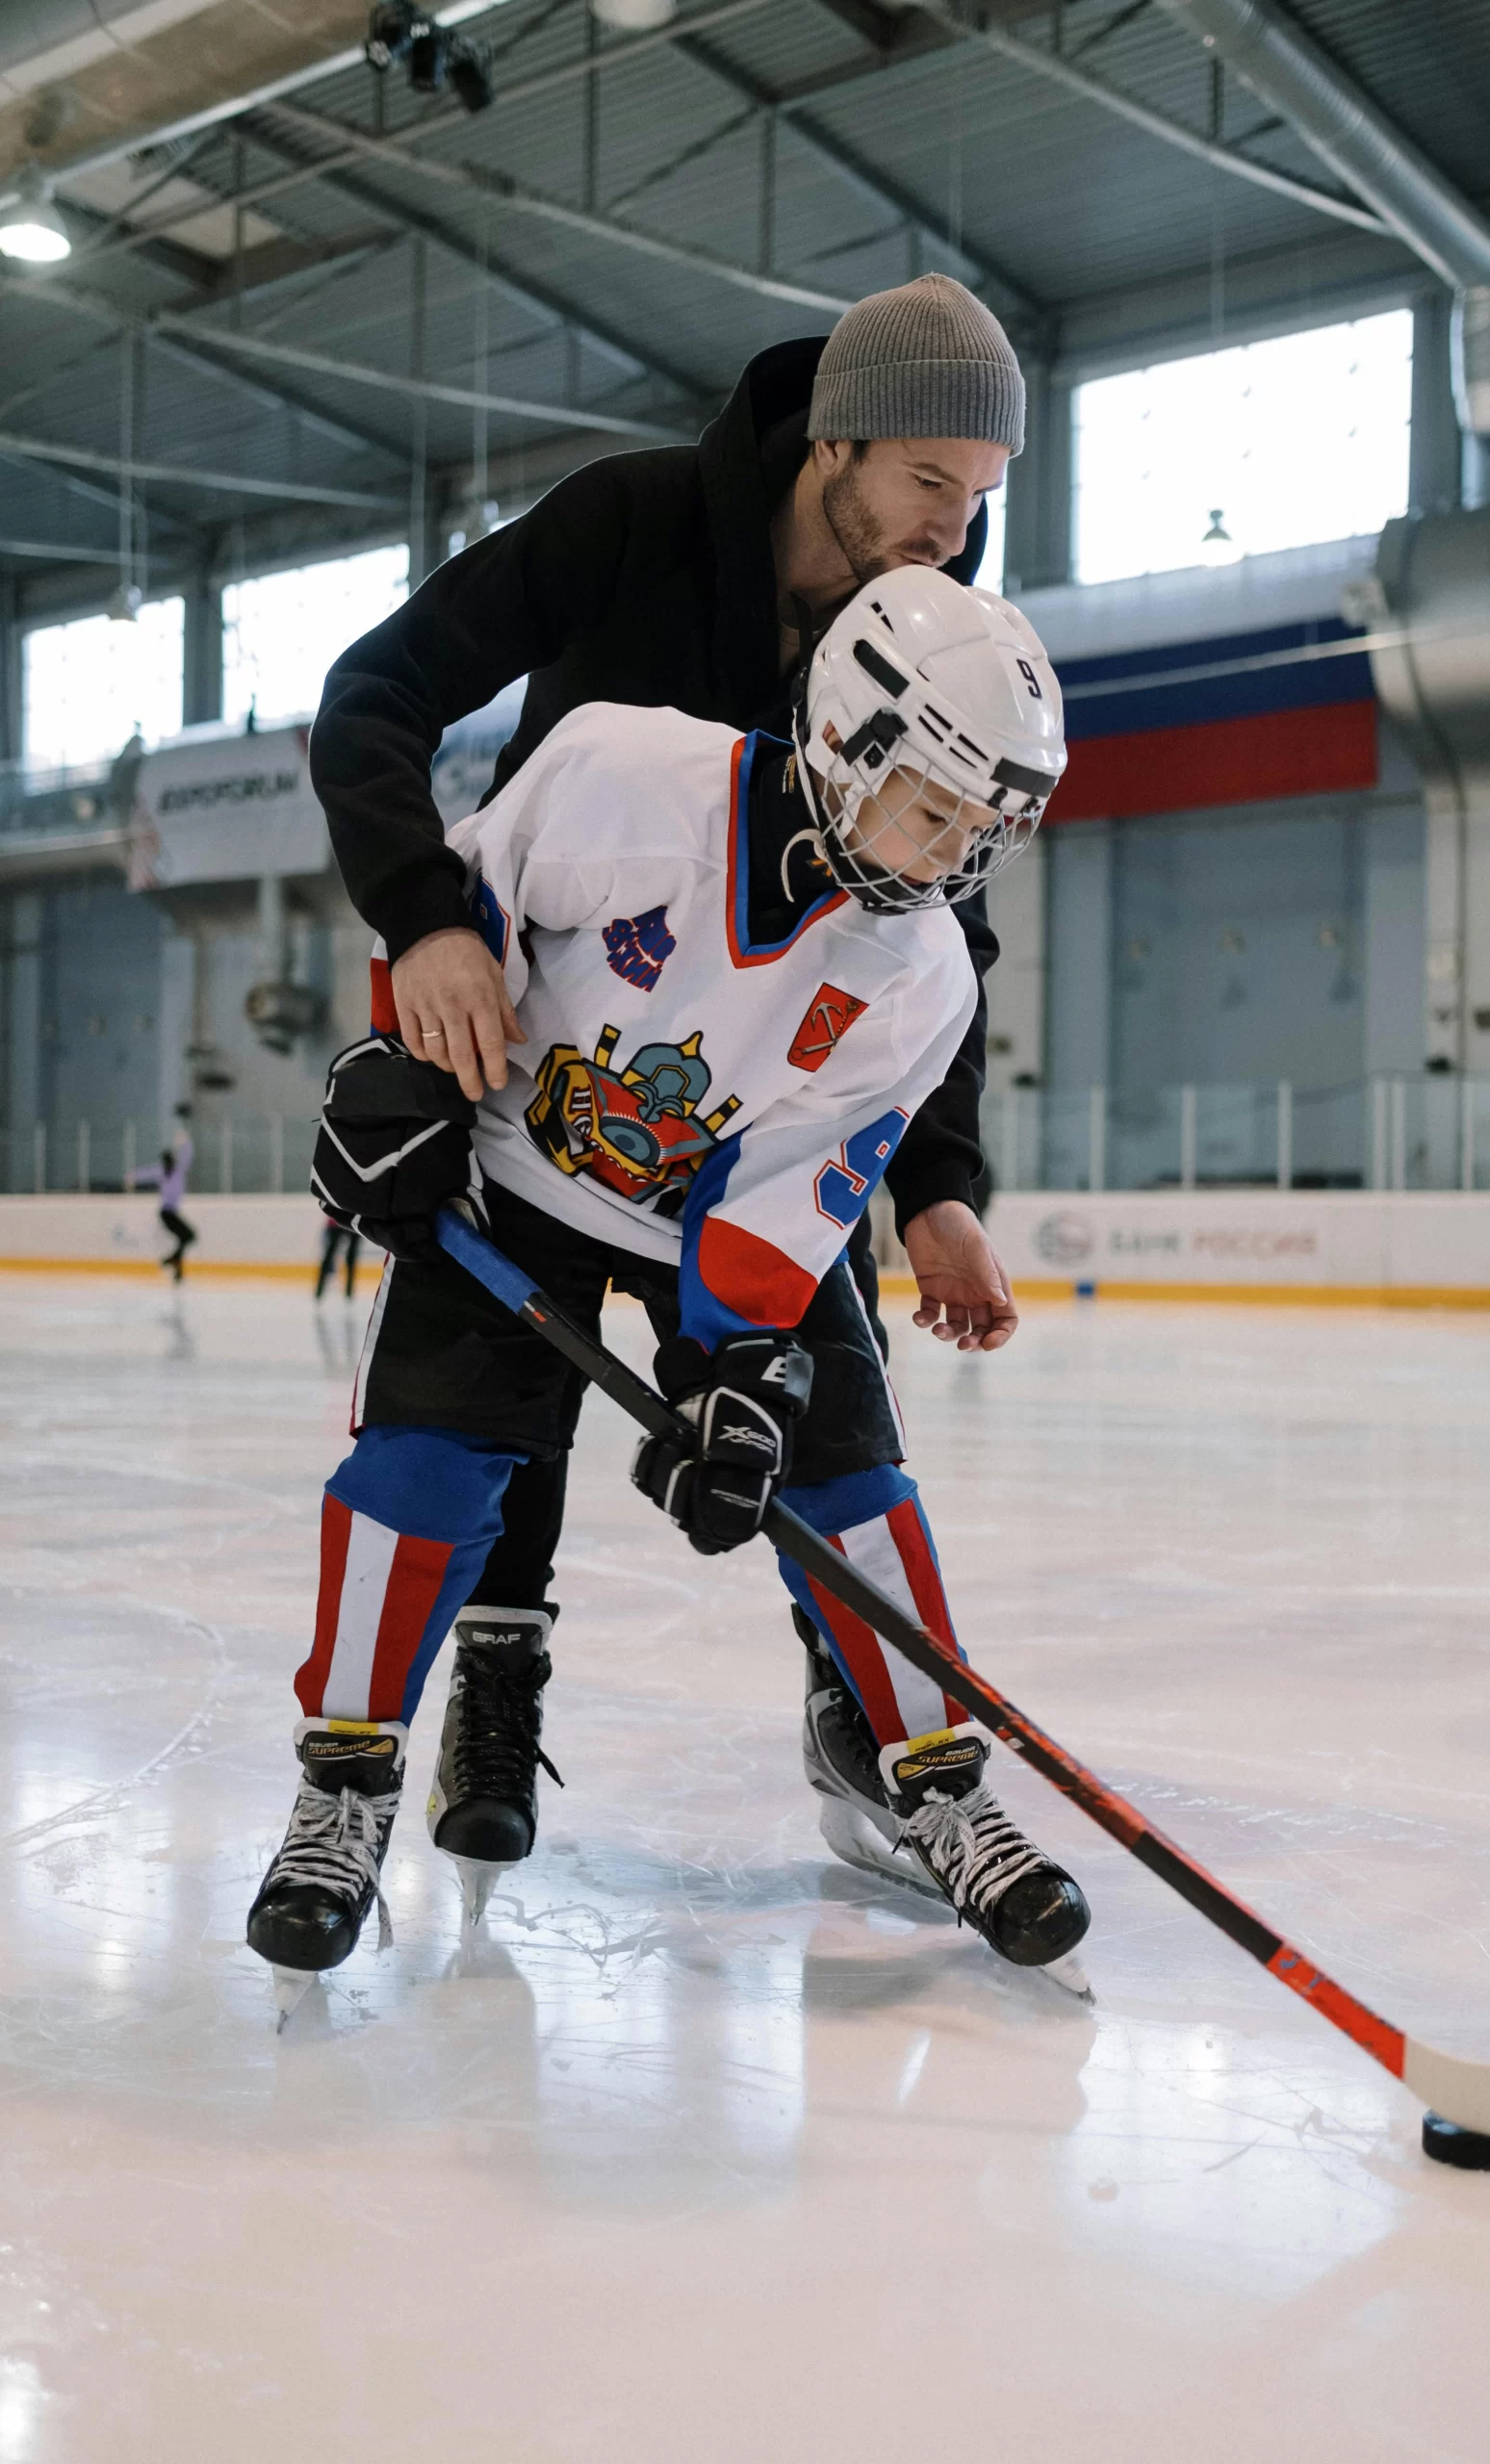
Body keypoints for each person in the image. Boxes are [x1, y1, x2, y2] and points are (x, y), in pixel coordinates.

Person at [247, 565, 1091, 2000]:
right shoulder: (624, 775)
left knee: (849, 1482)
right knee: (422, 1472)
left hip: (710, 1212)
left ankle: (936, 1784)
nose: (952, 855)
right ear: (847, 741)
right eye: (933, 806)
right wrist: (407, 1093)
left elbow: (792, 1191)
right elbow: (465, 935)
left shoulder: (924, 977)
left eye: (982, 827)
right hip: (513, 1179)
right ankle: (344, 1783)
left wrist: (737, 1380)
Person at [308, 276, 1032, 1864]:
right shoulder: (630, 522)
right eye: (927, 480)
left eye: (978, 499)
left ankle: (865, 1730)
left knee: (820, 1421)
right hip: (559, 1043)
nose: (951, 529)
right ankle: (493, 1701)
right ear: (836, 439)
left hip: (755, 1107)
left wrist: (936, 1190)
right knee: (506, 1410)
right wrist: (427, 923)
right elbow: (376, 694)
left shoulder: (918, 620)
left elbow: (928, 937)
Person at [132, 1114, 195, 1282]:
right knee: (188, 1236)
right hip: (167, 1213)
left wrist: (184, 1140)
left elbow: (187, 1155)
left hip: (169, 1213)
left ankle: (176, 1268)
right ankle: (172, 1260)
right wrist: (132, 1177)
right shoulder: (168, 1171)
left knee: (185, 1237)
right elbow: (146, 1173)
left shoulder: (174, 1170)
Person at [315, 1220, 362, 1299]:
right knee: (331, 1255)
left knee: (350, 1257)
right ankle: (319, 1290)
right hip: (344, 1221)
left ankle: (349, 1292)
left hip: (351, 1221)